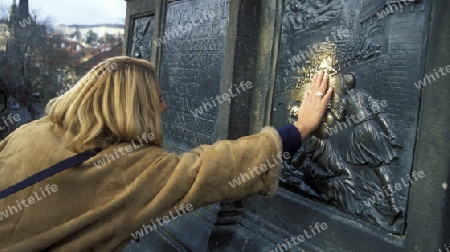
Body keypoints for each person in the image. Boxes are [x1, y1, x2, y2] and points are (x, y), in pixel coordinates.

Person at [0, 56, 332, 251]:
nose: (165, 106)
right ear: (133, 106)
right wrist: (298, 130)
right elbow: (210, 169)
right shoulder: (126, 169)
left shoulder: (30, 132)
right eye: (157, 98)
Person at [331, 73, 401, 219]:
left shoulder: (344, 100)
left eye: (342, 83)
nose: (341, 85)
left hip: (359, 133)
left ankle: (355, 198)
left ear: (345, 84)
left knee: (356, 165)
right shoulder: (364, 94)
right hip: (373, 128)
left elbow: (340, 118)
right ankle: (393, 204)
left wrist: (331, 108)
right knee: (381, 168)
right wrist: (390, 132)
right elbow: (378, 113)